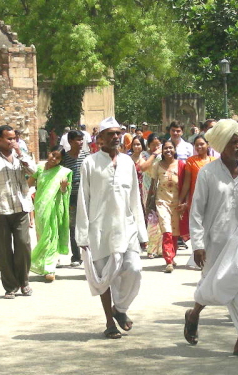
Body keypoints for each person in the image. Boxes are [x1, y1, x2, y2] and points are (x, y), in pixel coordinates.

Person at [183, 119, 238, 358]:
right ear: (221, 145)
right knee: (212, 285)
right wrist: (197, 245)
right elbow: (196, 211)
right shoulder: (207, 173)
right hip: (216, 242)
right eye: (233, 142)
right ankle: (194, 314)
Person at [76, 117, 147, 339]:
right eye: (111, 134)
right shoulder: (90, 163)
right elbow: (83, 199)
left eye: (118, 133)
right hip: (99, 229)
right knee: (103, 278)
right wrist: (82, 234)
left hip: (127, 227)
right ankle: (109, 322)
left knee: (134, 269)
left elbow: (135, 198)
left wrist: (142, 232)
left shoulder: (128, 163)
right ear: (100, 139)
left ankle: (120, 309)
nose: (116, 137)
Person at [0, 125, 35, 299]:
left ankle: (24, 281)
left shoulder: (21, 156)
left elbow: (34, 171)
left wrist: (21, 153)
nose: (13, 141)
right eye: (9, 139)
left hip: (21, 207)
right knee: (3, 249)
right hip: (0, 210)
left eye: (14, 138)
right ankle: (10, 286)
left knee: (23, 245)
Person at [28, 145, 71, 281]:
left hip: (53, 208)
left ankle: (50, 268)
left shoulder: (63, 172)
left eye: (58, 158)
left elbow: (64, 193)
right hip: (40, 207)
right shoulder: (39, 168)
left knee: (52, 236)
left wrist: (63, 187)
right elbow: (28, 184)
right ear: (49, 153)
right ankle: (42, 264)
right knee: (42, 236)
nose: (54, 159)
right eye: (53, 155)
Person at [148, 140, 184, 273]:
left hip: (176, 202)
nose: (168, 151)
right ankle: (168, 260)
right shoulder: (157, 165)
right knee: (167, 231)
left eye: (170, 148)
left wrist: (183, 201)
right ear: (162, 151)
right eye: (166, 149)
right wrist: (148, 203)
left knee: (175, 232)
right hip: (161, 202)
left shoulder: (181, 165)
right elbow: (153, 184)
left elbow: (185, 185)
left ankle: (172, 256)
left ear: (174, 150)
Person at [178, 135, 215, 246]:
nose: (199, 147)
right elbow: (186, 183)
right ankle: (197, 253)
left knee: (211, 227)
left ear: (207, 145)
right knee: (197, 228)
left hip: (212, 199)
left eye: (202, 144)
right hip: (196, 200)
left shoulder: (215, 161)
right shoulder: (191, 161)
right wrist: (181, 200)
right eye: (196, 145)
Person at [61, 131, 90, 267]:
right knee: (73, 226)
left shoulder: (87, 156)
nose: (81, 143)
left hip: (86, 195)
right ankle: (76, 256)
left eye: (82, 140)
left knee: (87, 224)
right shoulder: (65, 158)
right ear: (70, 141)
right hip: (71, 196)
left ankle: (88, 254)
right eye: (78, 140)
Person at [139, 134, 163, 259]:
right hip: (148, 189)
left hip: (161, 188)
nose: (155, 147)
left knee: (161, 219)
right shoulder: (144, 155)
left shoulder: (163, 154)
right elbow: (143, 167)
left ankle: (160, 248)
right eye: (153, 144)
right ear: (149, 144)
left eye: (157, 144)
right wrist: (154, 155)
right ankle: (151, 248)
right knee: (152, 218)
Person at [129, 135, 147, 208]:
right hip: (132, 189)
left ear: (142, 145)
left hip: (144, 189)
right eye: (134, 145)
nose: (136, 147)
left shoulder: (146, 158)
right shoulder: (128, 159)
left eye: (138, 144)